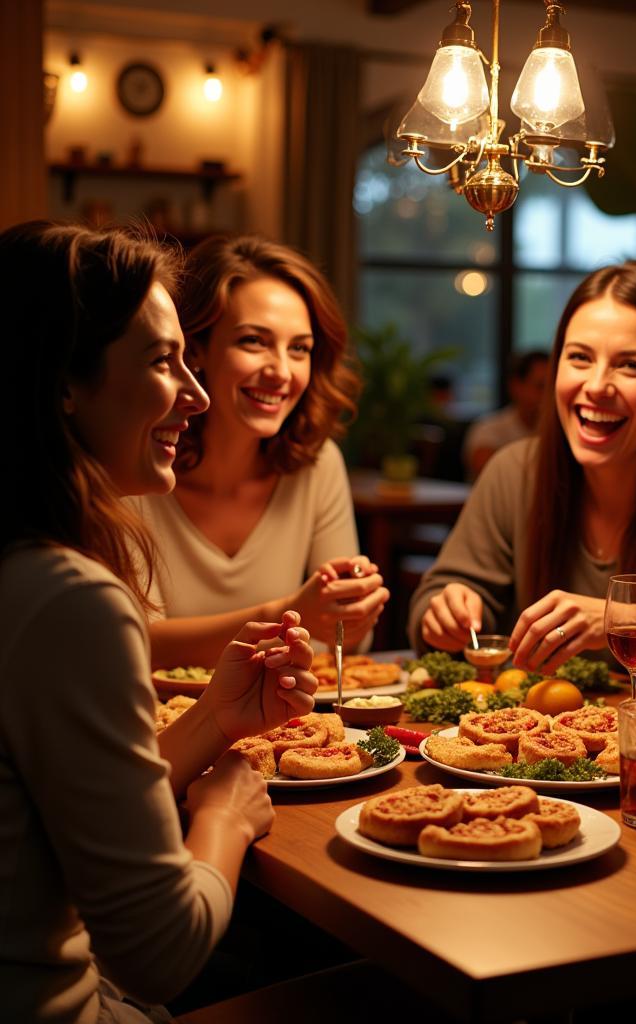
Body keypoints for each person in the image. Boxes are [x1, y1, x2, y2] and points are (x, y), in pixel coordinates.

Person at [0, 222, 318, 1021]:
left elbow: (61, 816)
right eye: (161, 361)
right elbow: (160, 953)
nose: (198, 394)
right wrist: (226, 816)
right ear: (63, 382)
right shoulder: (67, 597)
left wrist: (216, 717)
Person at [410, 261, 636, 706]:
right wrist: (445, 612)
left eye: (630, 365)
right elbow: (433, 604)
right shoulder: (515, 471)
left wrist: (625, 621)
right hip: (529, 752)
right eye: (579, 358)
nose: (597, 386)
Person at [130, 236, 389, 668]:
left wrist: (350, 615)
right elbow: (137, 643)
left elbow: (343, 646)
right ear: (195, 349)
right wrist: (289, 615)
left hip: (283, 721)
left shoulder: (316, 462)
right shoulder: (134, 464)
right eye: (253, 341)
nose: (281, 373)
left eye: (300, 349)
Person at [463, 350, 549, 480]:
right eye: (541, 387)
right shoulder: (489, 430)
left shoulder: (560, 433)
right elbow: (487, 469)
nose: (549, 396)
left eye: (553, 388)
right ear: (516, 386)